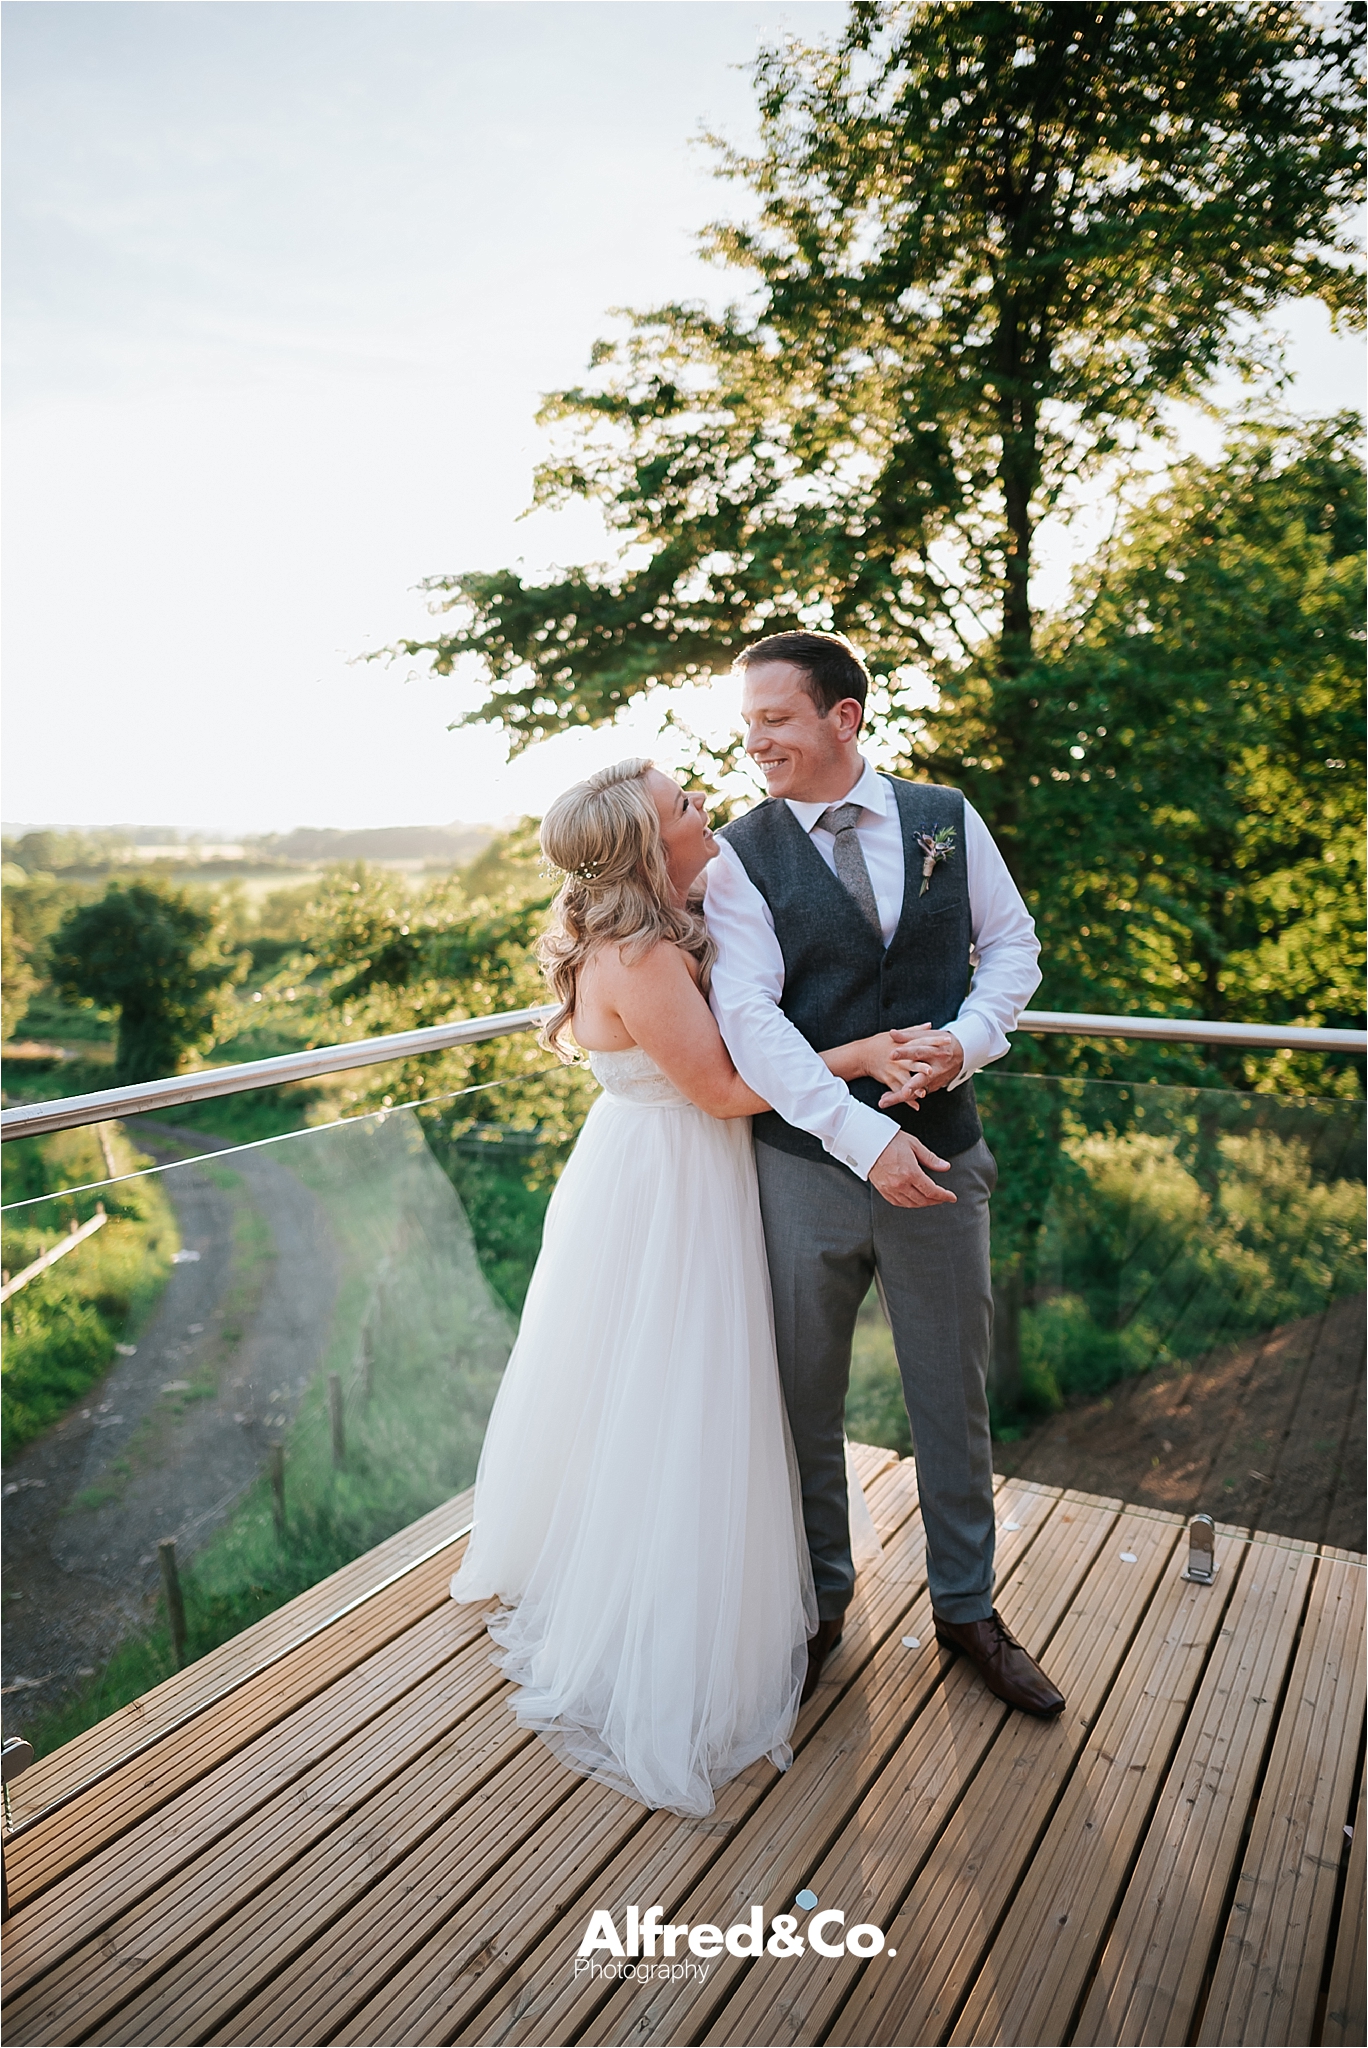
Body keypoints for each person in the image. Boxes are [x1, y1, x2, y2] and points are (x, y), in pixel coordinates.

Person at [450, 757, 926, 1816]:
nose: (704, 808)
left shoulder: (646, 922)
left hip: (641, 1166)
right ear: (640, 843)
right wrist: (857, 1051)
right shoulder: (641, 952)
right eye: (684, 807)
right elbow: (716, 1090)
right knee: (680, 1390)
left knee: (638, 1386)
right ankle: (671, 1615)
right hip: (674, 1179)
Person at [706, 630, 1066, 1717]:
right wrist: (864, 1137)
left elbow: (1013, 947)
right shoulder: (736, 853)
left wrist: (968, 1040)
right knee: (801, 1401)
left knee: (950, 1398)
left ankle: (967, 1611)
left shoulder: (945, 818)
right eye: (750, 721)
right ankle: (821, 1606)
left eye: (776, 717)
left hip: (947, 1154)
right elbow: (752, 1025)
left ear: (843, 716)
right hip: (803, 1173)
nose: (756, 738)